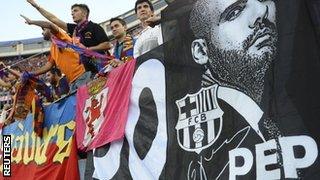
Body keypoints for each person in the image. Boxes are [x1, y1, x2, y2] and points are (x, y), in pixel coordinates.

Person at [173, 0, 278, 179]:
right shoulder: (211, 129)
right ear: (201, 51)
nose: (262, 11)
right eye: (235, 12)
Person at [26, 0, 111, 74]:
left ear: (84, 13)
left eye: (75, 11)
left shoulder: (94, 27)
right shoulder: (74, 29)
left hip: (104, 66)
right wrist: (37, 6)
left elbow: (107, 45)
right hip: (90, 72)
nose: (72, 13)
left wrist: (87, 49)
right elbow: (53, 19)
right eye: (72, 11)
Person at [21, 15, 90, 91]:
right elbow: (48, 67)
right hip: (72, 82)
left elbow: (50, 25)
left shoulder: (60, 36)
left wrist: (32, 22)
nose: (42, 33)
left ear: (50, 29)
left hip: (82, 76)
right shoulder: (52, 49)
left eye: (44, 29)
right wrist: (32, 73)